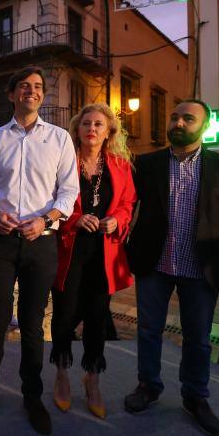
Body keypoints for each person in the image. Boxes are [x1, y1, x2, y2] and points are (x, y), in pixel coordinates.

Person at [123, 99, 219, 436]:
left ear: (205, 124)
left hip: (202, 269)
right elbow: (126, 204)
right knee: (147, 330)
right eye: (174, 116)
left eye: (188, 118)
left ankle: (195, 397)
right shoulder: (147, 163)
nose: (179, 122)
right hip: (155, 264)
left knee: (198, 338)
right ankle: (149, 385)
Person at [0, 66, 79, 436]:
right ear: (12, 93)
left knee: (32, 323)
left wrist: (46, 220)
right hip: (0, 240)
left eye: (37, 87)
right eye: (24, 86)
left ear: (42, 96)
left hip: (41, 241)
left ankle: (32, 396)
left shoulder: (61, 139)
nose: (31, 91)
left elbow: (69, 191)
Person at [50, 103, 136, 419]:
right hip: (69, 252)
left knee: (97, 318)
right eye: (86, 123)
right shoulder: (63, 161)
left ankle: (93, 379)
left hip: (104, 253)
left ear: (109, 131)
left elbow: (128, 202)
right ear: (77, 129)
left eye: (99, 124)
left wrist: (117, 219)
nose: (92, 129)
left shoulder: (119, 164)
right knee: (63, 316)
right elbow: (51, 200)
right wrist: (74, 218)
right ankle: (61, 375)